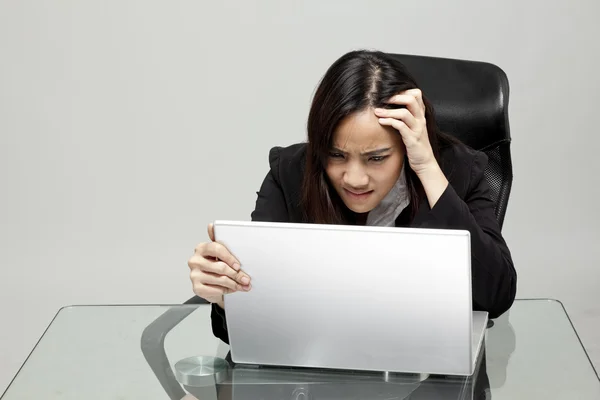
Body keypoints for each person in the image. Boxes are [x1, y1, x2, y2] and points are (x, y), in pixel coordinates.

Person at [187, 50, 517, 345]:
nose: (355, 179)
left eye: (377, 157)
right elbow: (249, 329)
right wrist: (224, 295)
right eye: (336, 155)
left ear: (405, 144)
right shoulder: (290, 174)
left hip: (428, 377)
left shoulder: (457, 171)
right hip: (318, 374)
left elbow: (497, 295)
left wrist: (427, 167)